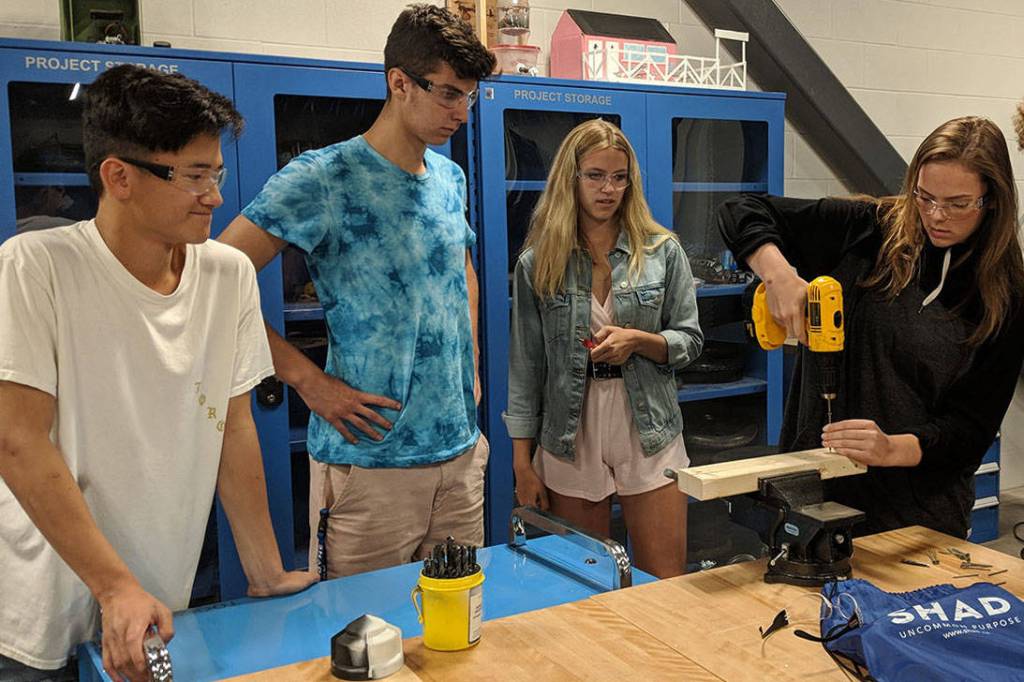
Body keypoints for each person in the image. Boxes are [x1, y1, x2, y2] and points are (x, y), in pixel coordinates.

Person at [0, 65, 316, 682]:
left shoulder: (225, 276)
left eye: (216, 173)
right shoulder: (34, 267)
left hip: (157, 605)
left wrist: (265, 569)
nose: (216, 196)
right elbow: (17, 441)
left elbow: (233, 428)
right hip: (40, 614)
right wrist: (115, 587)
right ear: (118, 177)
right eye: (194, 176)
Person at [218, 5, 496, 579]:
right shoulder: (323, 177)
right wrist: (307, 381)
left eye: (468, 96)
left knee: (462, 631)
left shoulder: (450, 177)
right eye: (447, 94)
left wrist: (468, 366)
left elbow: (461, 268)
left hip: (461, 455)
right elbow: (211, 283)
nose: (461, 113)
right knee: (365, 640)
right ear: (399, 82)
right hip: (371, 463)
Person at [718, 116, 1024, 539]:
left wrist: (890, 448)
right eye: (925, 196)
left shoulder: (1003, 293)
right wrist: (778, 275)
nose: (936, 216)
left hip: (915, 517)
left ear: (992, 200)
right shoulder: (867, 229)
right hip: (811, 496)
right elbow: (741, 210)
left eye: (957, 203)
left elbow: (970, 430)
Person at [504, 119, 704, 578]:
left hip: (649, 429)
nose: (608, 189)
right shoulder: (539, 262)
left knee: (664, 582)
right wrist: (522, 464)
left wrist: (641, 341)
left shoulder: (661, 251)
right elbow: (526, 368)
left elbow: (690, 340)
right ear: (570, 180)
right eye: (594, 175)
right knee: (585, 586)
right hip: (570, 433)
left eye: (618, 177)